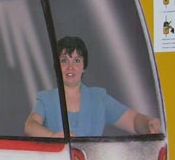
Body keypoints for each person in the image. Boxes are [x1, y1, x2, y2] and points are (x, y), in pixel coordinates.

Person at [24, 36, 162, 138]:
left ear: (84, 67)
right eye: (64, 60)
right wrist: (54, 136)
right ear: (56, 66)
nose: (70, 67)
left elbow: (133, 121)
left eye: (77, 60)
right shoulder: (45, 99)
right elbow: (30, 126)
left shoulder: (99, 98)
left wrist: (148, 123)